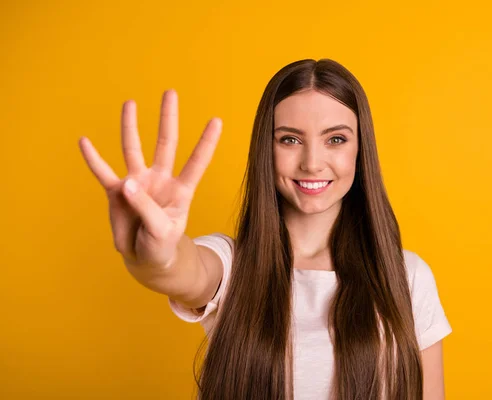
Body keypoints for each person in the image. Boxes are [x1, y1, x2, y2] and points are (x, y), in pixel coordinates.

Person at [78, 58, 452, 400]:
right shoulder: (233, 266)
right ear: (265, 149)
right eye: (289, 139)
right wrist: (153, 254)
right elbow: (180, 270)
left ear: (360, 149)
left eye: (335, 139)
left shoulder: (407, 276)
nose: (312, 162)